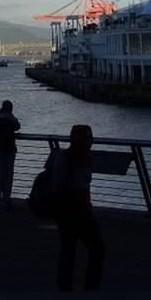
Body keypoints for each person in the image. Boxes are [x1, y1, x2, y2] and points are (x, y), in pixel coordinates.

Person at [48, 124, 104, 291]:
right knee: (93, 248)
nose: (91, 141)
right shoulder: (71, 158)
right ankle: (88, 287)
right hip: (72, 209)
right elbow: (59, 186)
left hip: (76, 209)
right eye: (88, 137)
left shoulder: (75, 157)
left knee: (70, 249)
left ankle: (66, 288)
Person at [0, 100, 21, 207]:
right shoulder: (12, 119)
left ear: (2, 107)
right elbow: (18, 126)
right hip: (9, 149)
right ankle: (6, 198)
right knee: (8, 175)